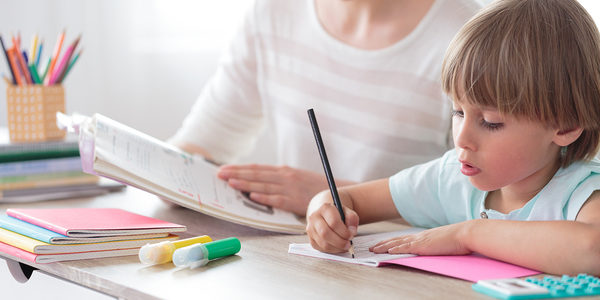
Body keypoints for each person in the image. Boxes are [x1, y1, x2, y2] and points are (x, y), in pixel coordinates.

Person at [305, 0, 600, 276]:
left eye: (490, 122)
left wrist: (467, 234)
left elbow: (593, 250)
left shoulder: (583, 192)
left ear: (566, 127)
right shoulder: (450, 179)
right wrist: (323, 213)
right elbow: (350, 199)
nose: (462, 138)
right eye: (458, 112)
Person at [168, 0, 482, 216]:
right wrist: (166, 176)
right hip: (296, 256)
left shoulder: (470, 38)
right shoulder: (274, 11)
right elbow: (203, 141)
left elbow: (484, 205)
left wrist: (339, 196)